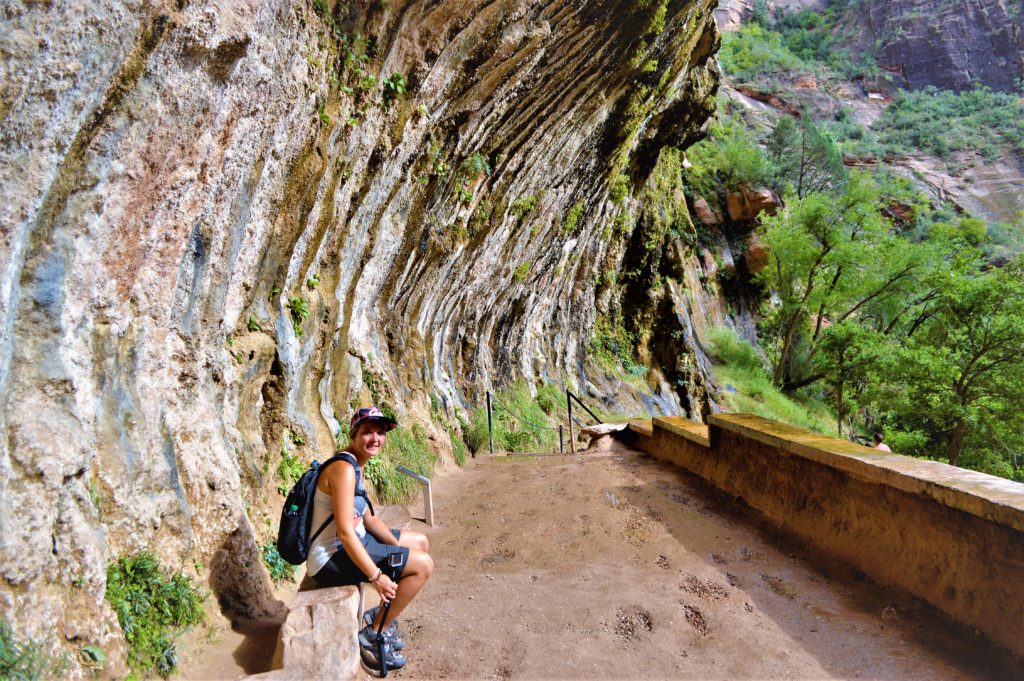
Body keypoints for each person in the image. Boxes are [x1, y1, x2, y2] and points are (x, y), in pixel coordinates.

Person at [306, 406, 434, 671]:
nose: (375, 438)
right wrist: (377, 577)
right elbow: (344, 531)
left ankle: (383, 613)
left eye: (380, 432)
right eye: (367, 432)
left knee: (419, 543)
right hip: (331, 557)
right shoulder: (343, 469)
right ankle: (374, 634)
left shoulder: (356, 464)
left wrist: (396, 546)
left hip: (353, 543)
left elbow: (370, 518)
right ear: (354, 434)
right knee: (423, 565)